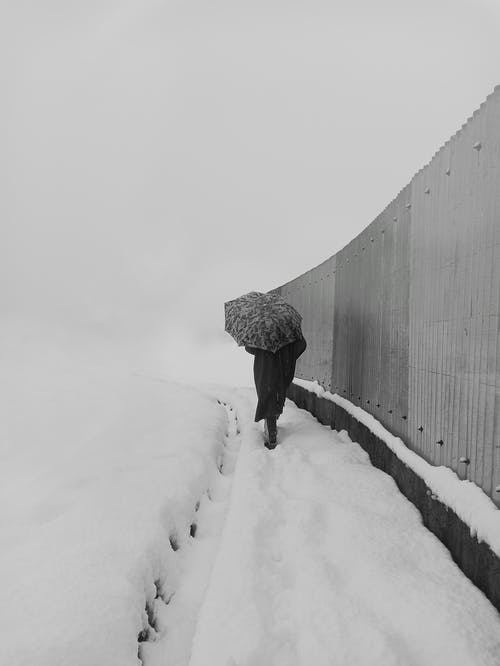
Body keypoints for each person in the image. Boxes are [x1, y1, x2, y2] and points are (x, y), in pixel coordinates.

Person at [245, 336, 307, 448]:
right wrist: (289, 355)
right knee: (276, 398)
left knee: (268, 401)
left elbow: (249, 349)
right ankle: (271, 425)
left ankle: (271, 435)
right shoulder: (287, 333)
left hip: (265, 371)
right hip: (282, 370)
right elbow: (302, 345)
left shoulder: (261, 334)